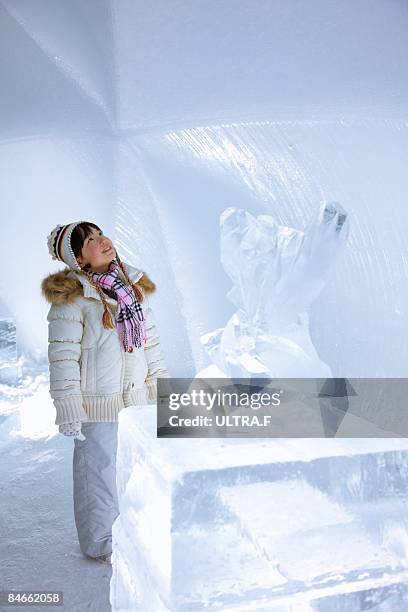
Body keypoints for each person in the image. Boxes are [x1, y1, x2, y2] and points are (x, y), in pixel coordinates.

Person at [41, 221, 169, 564]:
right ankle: (101, 542)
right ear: (79, 260)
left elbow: (149, 344)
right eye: (91, 241)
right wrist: (69, 409)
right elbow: (63, 357)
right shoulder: (72, 301)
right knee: (97, 473)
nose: (103, 241)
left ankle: (131, 530)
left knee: (131, 469)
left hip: (134, 400)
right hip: (97, 405)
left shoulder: (131, 289)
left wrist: (158, 385)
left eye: (101, 235)